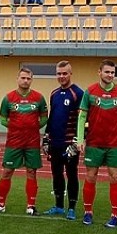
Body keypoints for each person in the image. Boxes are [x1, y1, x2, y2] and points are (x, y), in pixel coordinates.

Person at [75, 60, 117, 228]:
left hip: (114, 143)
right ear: (99, 72)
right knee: (90, 176)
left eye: (113, 72)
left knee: (115, 176)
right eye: (107, 72)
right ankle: (88, 212)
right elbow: (82, 117)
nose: (110, 75)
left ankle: (115, 215)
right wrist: (80, 139)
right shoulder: (90, 92)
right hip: (94, 143)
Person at [0, 68, 48, 215]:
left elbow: (44, 118)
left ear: (31, 80)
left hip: (32, 142)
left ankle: (31, 206)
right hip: (14, 142)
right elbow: (2, 118)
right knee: (7, 171)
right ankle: (0, 204)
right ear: (17, 79)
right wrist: (16, 127)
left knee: (31, 171)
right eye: (23, 78)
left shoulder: (39, 98)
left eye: (28, 78)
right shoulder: (8, 98)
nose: (25, 80)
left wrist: (32, 127)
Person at [43, 60, 84, 219]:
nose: (62, 76)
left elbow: (83, 120)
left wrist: (76, 142)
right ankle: (59, 206)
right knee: (56, 174)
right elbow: (52, 117)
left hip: (69, 144)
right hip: (55, 142)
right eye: (59, 74)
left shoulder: (78, 93)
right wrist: (46, 138)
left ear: (70, 74)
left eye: (64, 73)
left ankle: (72, 208)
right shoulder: (54, 93)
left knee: (72, 174)